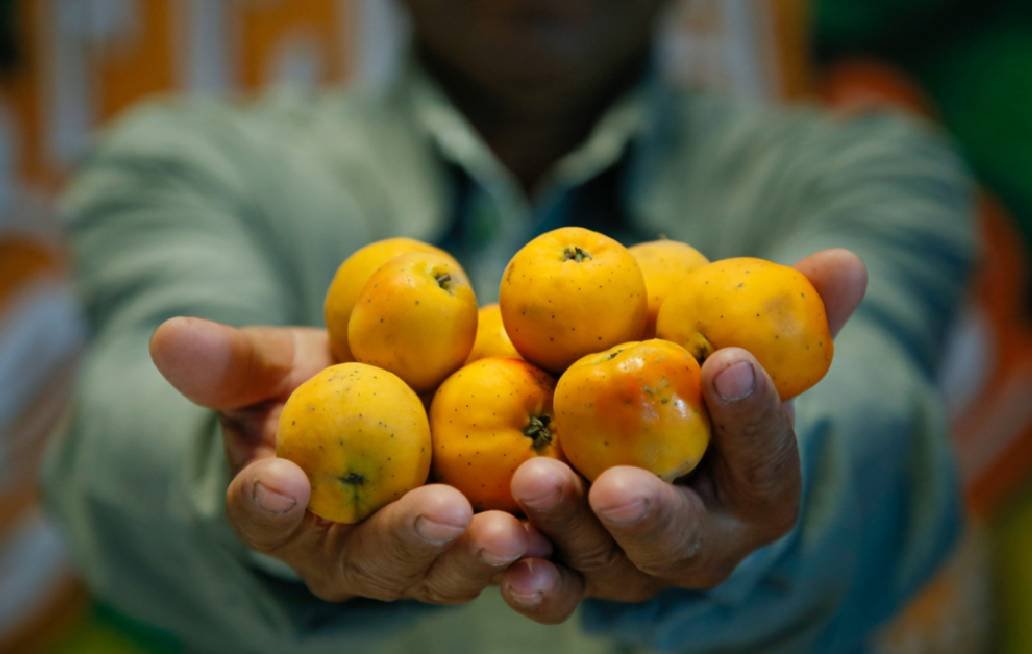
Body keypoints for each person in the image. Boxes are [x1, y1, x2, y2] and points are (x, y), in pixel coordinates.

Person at [43, 1, 975, 652]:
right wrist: (235, 457)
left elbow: (880, 411)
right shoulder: (190, 160)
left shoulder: (867, 167)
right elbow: (121, 429)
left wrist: (758, 483)